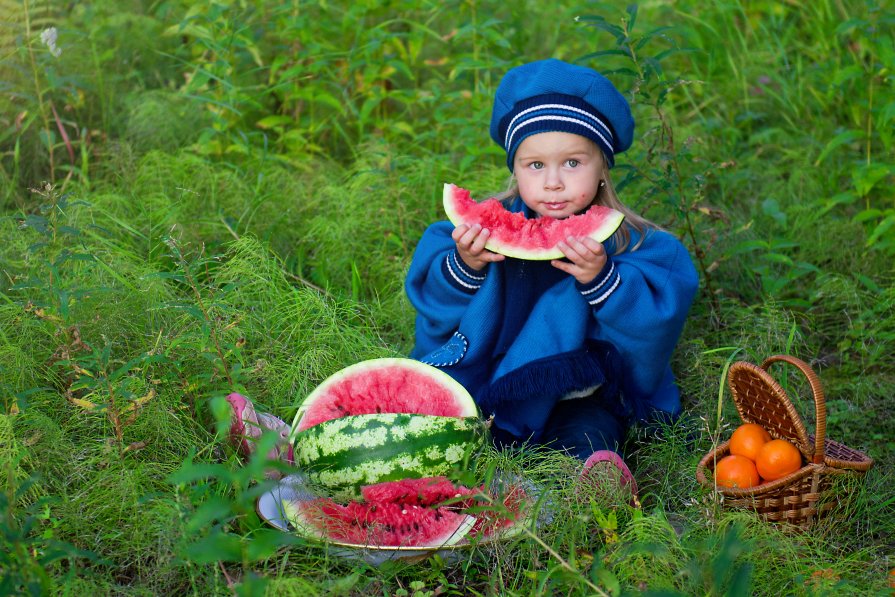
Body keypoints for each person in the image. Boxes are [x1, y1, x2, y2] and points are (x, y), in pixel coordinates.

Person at [404, 58, 699, 495]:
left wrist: (604, 280)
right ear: (515, 168)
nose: (554, 183)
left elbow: (660, 311)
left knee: (590, 430)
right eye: (535, 165)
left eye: (573, 163)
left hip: (580, 394)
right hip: (491, 384)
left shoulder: (633, 243)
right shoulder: (482, 232)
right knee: (438, 431)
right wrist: (467, 266)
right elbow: (432, 297)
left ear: (602, 167)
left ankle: (587, 485)